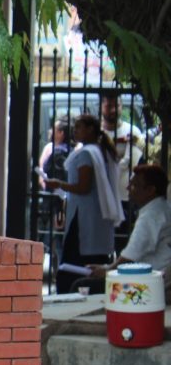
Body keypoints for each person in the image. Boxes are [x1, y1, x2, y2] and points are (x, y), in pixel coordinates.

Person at [44, 114, 123, 293]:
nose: (75, 130)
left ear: (90, 129)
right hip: (94, 216)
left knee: (74, 262)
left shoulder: (88, 153)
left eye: (79, 127)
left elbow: (83, 186)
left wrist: (59, 184)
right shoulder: (98, 151)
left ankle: (68, 293)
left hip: (84, 218)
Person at [87, 164, 171, 279]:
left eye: (134, 185)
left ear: (151, 190)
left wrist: (108, 270)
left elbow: (132, 253)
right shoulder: (162, 208)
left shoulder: (151, 215)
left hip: (153, 280)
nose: (128, 188)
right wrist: (107, 267)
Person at [100, 92, 145, 203]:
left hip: (126, 198)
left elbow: (137, 164)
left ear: (121, 106)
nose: (113, 110)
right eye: (108, 106)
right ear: (101, 107)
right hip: (101, 198)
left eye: (117, 105)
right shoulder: (94, 133)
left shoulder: (133, 132)